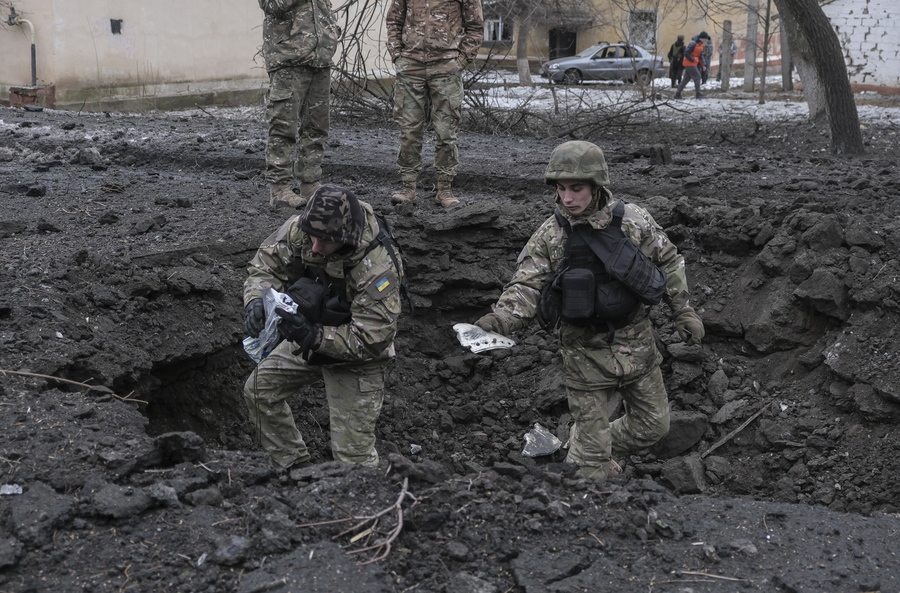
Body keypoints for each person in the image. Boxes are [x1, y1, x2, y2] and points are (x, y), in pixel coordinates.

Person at [474, 141, 704, 481]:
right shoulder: (551, 235)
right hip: (584, 355)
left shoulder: (633, 221)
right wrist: (502, 319)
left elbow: (668, 261)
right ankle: (588, 477)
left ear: (597, 186)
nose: (567, 198)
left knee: (654, 426)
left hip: (637, 346)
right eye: (561, 188)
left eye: (576, 188)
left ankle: (582, 450)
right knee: (593, 468)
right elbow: (526, 285)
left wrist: (683, 311)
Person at [242, 184, 404, 471]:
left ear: (348, 238)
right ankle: (295, 468)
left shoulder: (377, 268)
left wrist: (312, 336)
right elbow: (266, 266)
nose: (315, 247)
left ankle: (366, 503)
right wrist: (256, 298)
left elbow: (372, 339)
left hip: (358, 357)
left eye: (325, 242)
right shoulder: (305, 228)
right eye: (312, 238)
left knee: (353, 460)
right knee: (259, 390)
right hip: (310, 332)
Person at [386, 0, 484, 208]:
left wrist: (461, 60)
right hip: (411, 65)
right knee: (409, 129)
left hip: (446, 65)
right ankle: (408, 187)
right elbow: (394, 20)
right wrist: (397, 54)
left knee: (446, 132)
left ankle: (444, 189)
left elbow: (475, 27)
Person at [259, 0, 340, 211]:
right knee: (283, 127)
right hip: (289, 58)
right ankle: (279, 190)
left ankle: (310, 183)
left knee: (317, 127)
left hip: (320, 59)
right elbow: (271, 5)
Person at [674, 31, 711, 99]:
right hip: (689, 63)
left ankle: (677, 94)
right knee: (697, 76)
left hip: (693, 63)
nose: (706, 40)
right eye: (705, 39)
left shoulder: (700, 45)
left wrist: (703, 65)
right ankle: (698, 94)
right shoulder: (693, 43)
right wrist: (692, 59)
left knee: (686, 79)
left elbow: (700, 56)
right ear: (702, 38)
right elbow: (686, 52)